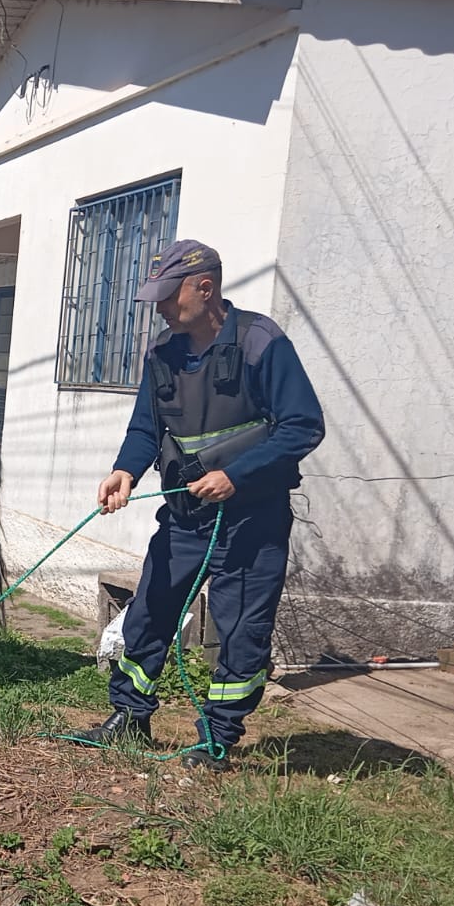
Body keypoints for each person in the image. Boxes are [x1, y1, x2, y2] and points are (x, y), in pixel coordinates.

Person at [77, 239, 325, 771]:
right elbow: (147, 428)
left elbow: (303, 425)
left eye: (170, 296)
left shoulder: (262, 343)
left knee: (239, 631)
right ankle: (129, 717)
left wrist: (235, 475)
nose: (162, 308)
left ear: (205, 287)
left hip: (251, 522)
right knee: (149, 612)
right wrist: (124, 470)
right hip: (184, 516)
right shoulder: (162, 352)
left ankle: (217, 739)